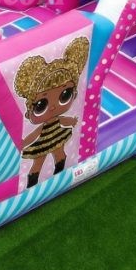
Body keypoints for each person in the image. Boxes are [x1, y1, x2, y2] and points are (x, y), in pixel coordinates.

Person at [16, 37, 90, 188]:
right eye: (41, 105)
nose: (53, 108)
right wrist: (24, 142)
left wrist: (72, 121)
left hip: (57, 136)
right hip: (45, 141)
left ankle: (58, 175)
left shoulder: (57, 118)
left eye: (65, 95)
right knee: (39, 161)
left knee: (59, 154)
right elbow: (35, 134)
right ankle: (32, 184)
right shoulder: (43, 125)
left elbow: (62, 120)